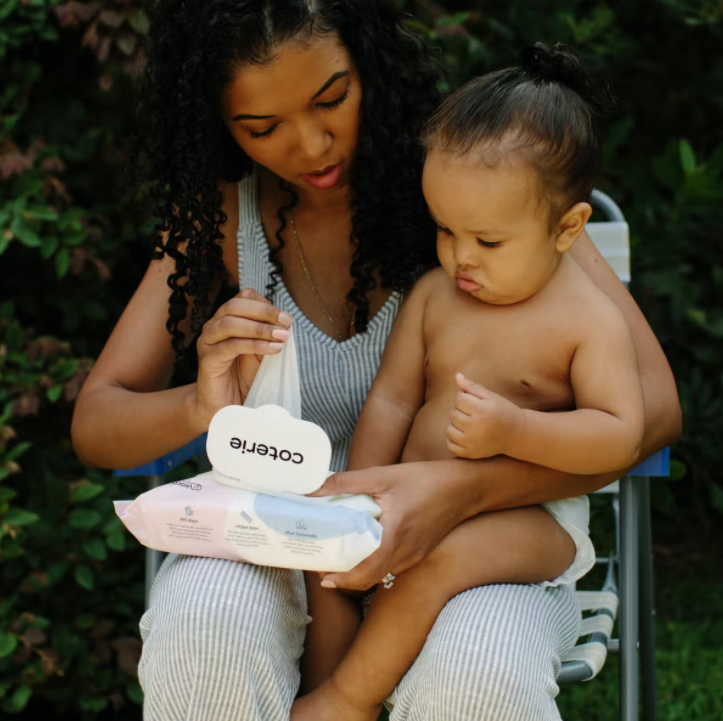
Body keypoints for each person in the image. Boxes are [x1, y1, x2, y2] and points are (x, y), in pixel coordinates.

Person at [70, 2, 681, 719]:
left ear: (369, 66)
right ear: (216, 124)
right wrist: (200, 406)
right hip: (286, 521)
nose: (311, 144)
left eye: (332, 98)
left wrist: (464, 491)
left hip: (486, 522)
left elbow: (654, 409)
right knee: (205, 630)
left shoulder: (473, 187)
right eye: (261, 127)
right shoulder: (220, 217)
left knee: (477, 678)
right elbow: (97, 421)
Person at [293, 44, 644, 721]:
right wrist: (359, 490)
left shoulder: (586, 321)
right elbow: (393, 398)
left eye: (487, 241)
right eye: (445, 231)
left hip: (529, 523)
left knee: (441, 557)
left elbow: (618, 432)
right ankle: (322, 678)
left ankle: (346, 700)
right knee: (332, 561)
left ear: (568, 228)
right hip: (414, 502)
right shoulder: (433, 296)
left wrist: (517, 428)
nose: (460, 257)